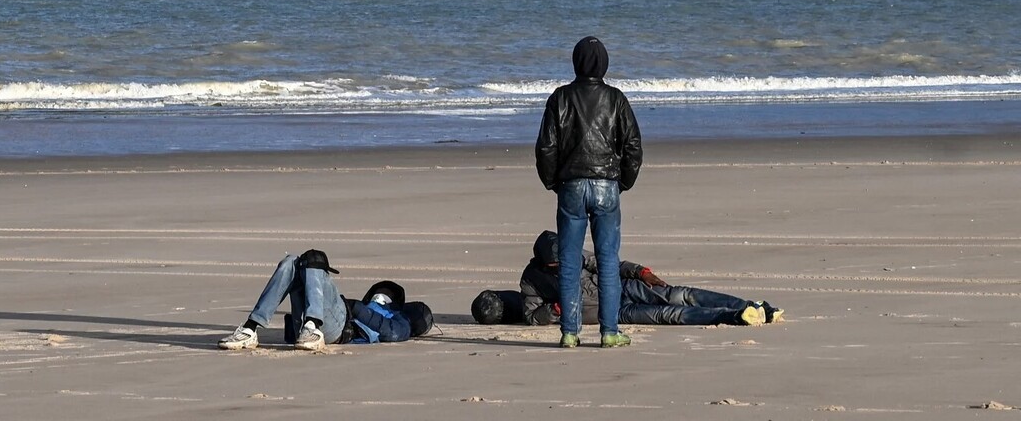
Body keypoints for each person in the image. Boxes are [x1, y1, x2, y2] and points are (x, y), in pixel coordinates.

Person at [536, 36, 643, 348]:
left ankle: (570, 332)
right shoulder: (615, 99)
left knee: (570, 261)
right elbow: (633, 146)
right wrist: (622, 181)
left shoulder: (561, 98)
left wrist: (553, 182)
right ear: (604, 64)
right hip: (606, 185)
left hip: (571, 185)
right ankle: (609, 331)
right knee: (608, 260)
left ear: (576, 62)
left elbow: (546, 148)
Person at [471, 231, 784, 328]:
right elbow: (530, 317)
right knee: (668, 315)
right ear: (545, 263)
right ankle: (736, 316)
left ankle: (753, 305)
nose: (565, 264)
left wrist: (640, 271)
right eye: (557, 264)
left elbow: (607, 262)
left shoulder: (573, 252)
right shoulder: (531, 280)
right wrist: (554, 312)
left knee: (678, 294)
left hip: (620, 286)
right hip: (610, 311)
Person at [217, 249, 433, 351]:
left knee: (315, 260)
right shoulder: (372, 305)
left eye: (386, 296)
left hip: (340, 329)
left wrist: (356, 307)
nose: (379, 297)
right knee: (292, 261)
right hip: (317, 321)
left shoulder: (400, 320)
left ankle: (313, 326)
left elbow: (393, 333)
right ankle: (250, 328)